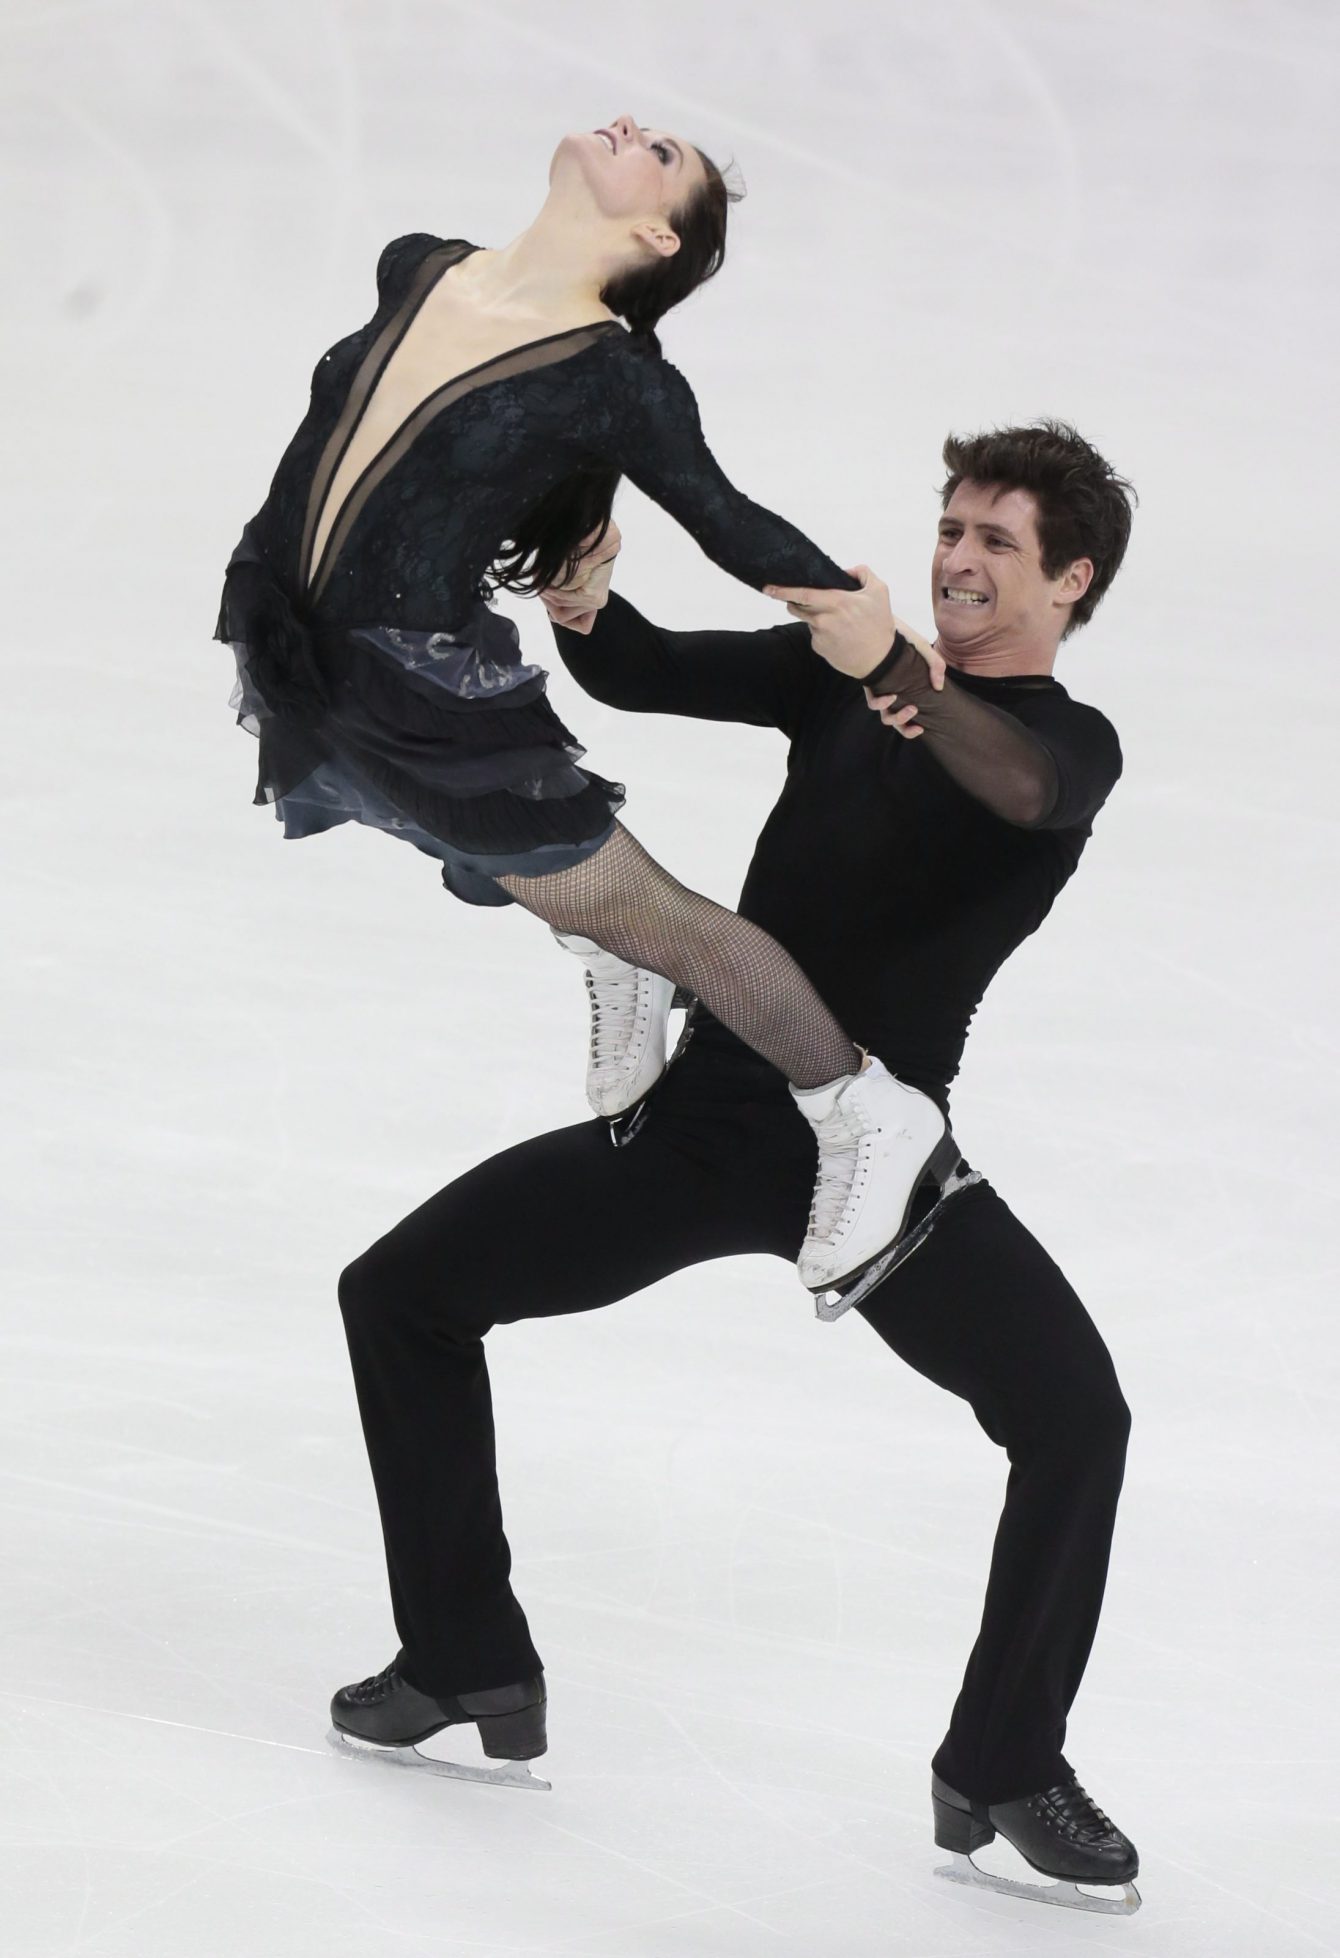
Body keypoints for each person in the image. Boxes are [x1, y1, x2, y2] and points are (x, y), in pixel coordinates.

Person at [331, 420, 1143, 1915]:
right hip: (714, 1123)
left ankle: (1007, 1761)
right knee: (399, 1294)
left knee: (1077, 1417)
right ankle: (464, 1657)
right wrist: (582, 601)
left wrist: (891, 663)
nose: (959, 558)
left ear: (1071, 580)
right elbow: (638, 668)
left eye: (998, 542)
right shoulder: (841, 684)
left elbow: (1014, 784)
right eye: (951, 527)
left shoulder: (1062, 746)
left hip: (881, 1151)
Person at [213, 114, 961, 1299]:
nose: (637, 130)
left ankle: (858, 1101)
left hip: (421, 691)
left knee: (652, 913)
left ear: (654, 233)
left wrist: (859, 628)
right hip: (308, 652)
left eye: (663, 156)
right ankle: (608, 951)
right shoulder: (418, 264)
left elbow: (728, 519)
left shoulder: (617, 380)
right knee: (453, 836)